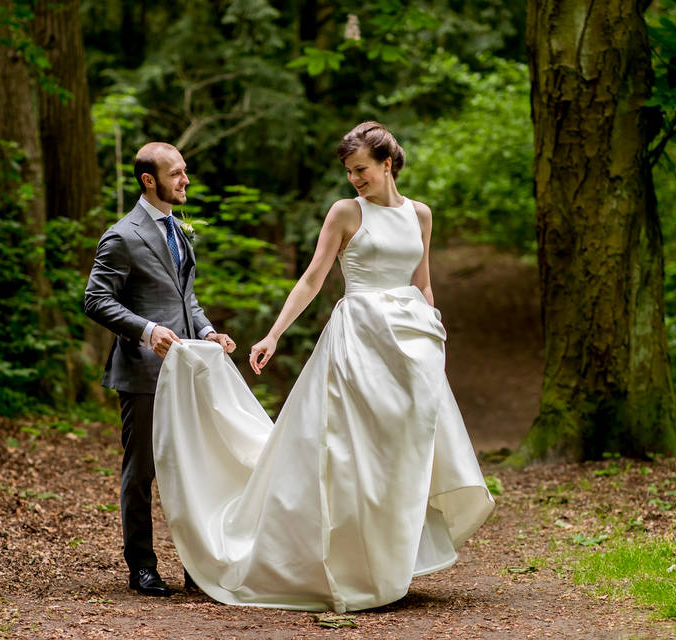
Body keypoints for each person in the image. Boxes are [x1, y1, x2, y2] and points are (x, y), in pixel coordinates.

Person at [151, 122, 495, 612]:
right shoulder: (345, 213)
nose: (355, 179)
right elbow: (312, 279)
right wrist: (273, 333)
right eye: (350, 172)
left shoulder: (420, 214)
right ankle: (345, 563)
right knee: (353, 453)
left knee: (403, 452)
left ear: (387, 164)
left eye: (362, 170)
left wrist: (434, 336)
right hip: (359, 340)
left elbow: (422, 282)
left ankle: (392, 558)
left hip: (412, 348)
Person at [84, 141, 236, 597]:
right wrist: (147, 331)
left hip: (188, 371)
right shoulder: (122, 235)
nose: (185, 179)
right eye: (176, 173)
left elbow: (187, 299)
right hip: (143, 373)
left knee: (193, 467)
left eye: (185, 171)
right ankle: (142, 567)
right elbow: (96, 300)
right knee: (142, 470)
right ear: (148, 180)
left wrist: (208, 332)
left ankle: (197, 564)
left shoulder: (179, 232)